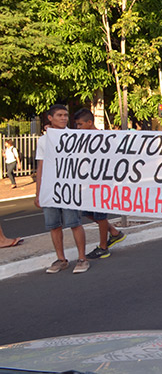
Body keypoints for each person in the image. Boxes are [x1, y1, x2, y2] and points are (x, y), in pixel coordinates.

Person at [35, 104, 90, 274]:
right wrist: (38, 193)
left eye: (65, 115)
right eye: (59, 115)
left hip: (70, 187)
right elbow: (41, 167)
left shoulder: (74, 136)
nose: (64, 118)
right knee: (54, 225)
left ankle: (82, 259)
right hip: (51, 189)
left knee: (74, 222)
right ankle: (61, 259)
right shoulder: (43, 140)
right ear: (50, 118)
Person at [72, 108, 126, 259]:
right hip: (90, 181)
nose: (78, 127)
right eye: (77, 125)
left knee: (100, 214)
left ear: (90, 123)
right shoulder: (84, 137)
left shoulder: (104, 138)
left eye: (80, 124)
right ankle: (114, 233)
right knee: (87, 212)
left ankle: (103, 247)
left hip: (103, 181)